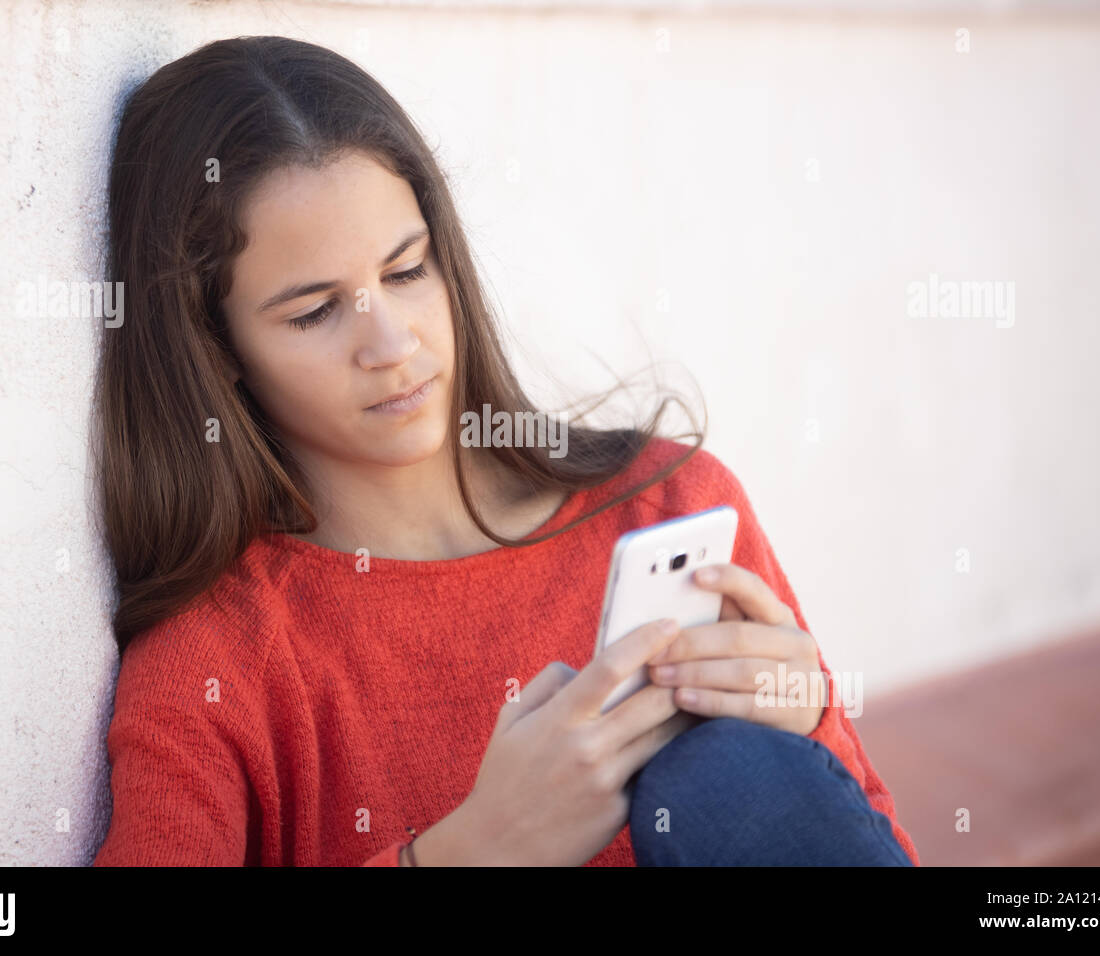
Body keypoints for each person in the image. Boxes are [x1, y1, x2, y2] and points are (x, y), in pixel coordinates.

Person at [90, 36, 917, 867]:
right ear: (216, 346)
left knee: (732, 773)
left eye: (407, 270)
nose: (391, 343)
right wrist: (470, 851)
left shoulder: (675, 503)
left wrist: (807, 730)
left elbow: (880, 835)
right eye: (314, 313)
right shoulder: (214, 660)